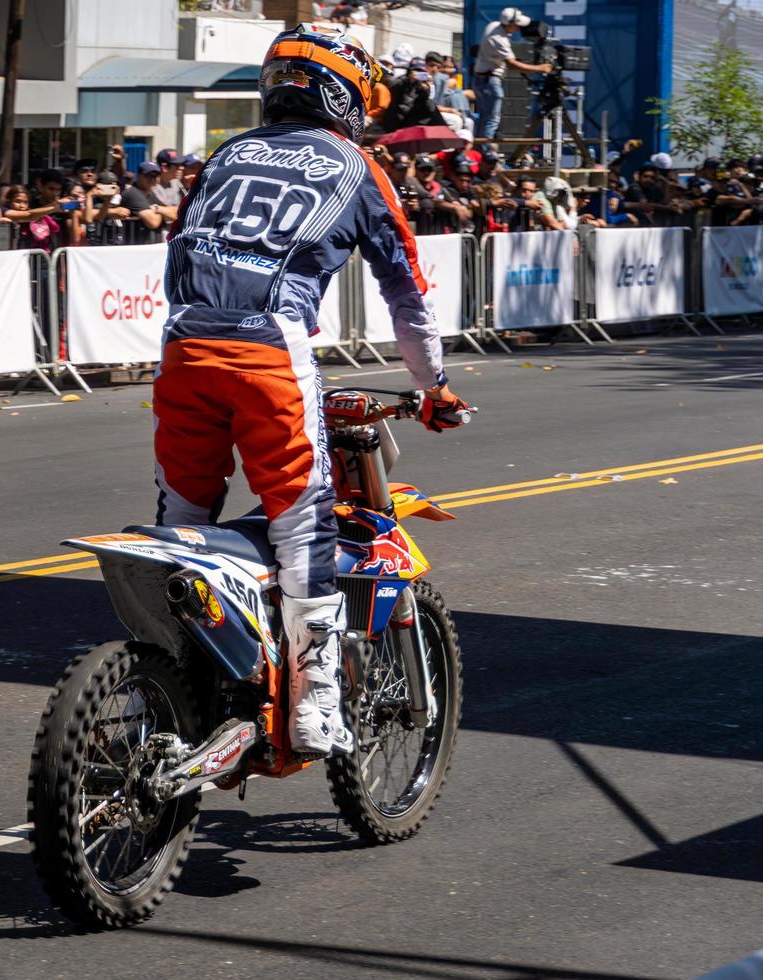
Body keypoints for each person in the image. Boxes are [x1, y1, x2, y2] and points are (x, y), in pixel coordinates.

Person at [152, 23, 466, 759]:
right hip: (268, 347)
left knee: (183, 521)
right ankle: (316, 702)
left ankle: (174, 677)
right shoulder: (358, 168)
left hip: (183, 343)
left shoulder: (226, 155)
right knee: (304, 522)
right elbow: (408, 294)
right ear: (347, 95)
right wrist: (436, 386)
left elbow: (182, 247)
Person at [473, 8, 553, 141]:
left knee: (485, 117)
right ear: (509, 24)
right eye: (517, 25)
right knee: (492, 119)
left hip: (483, 79)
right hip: (489, 81)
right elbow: (512, 65)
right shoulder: (499, 39)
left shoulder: (493, 26)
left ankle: (480, 150)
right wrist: (540, 68)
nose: (518, 28)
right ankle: (485, 151)